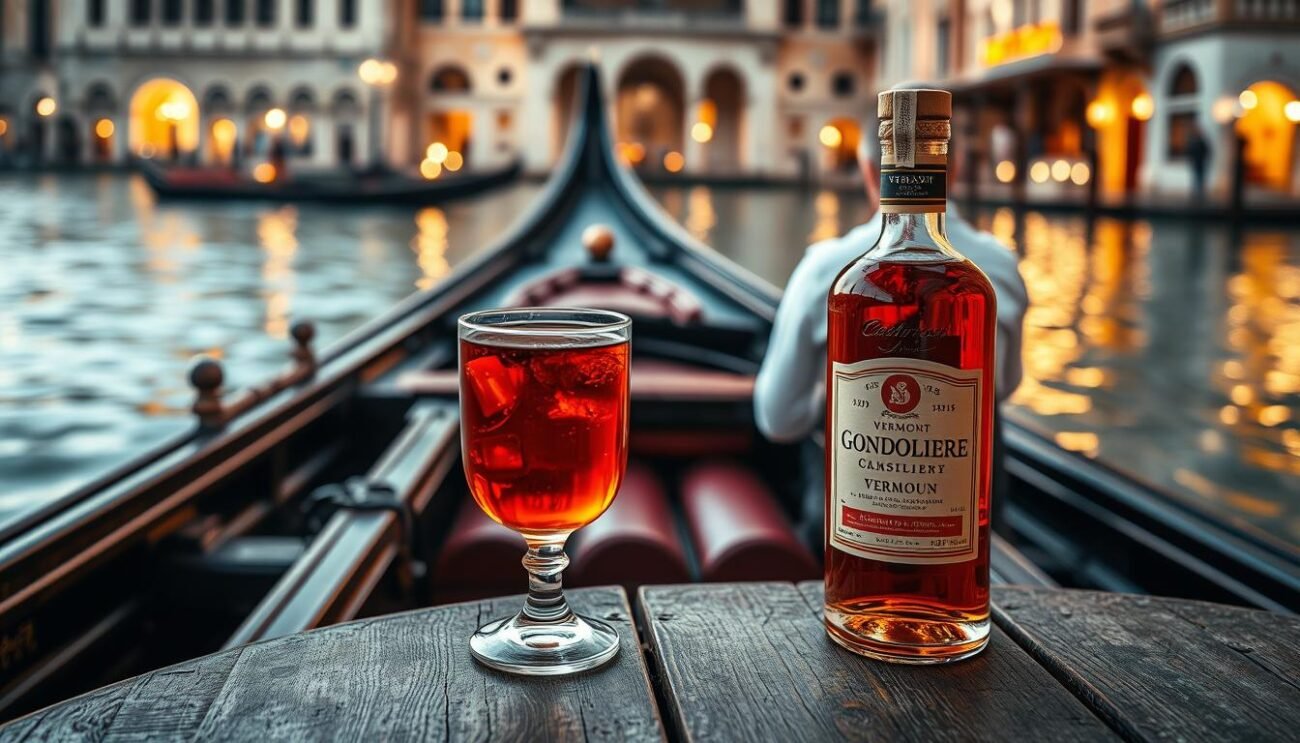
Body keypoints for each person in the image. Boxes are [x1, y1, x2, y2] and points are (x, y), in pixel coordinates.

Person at [754, 96, 1028, 541]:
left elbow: (778, 418)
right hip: (968, 530)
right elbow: (1006, 385)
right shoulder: (1000, 268)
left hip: (855, 531)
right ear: (953, 166)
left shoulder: (827, 273)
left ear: (871, 169)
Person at [1186, 125, 1210, 202]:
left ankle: (1200, 194)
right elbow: (1190, 152)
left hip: (1200, 163)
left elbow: (1206, 151)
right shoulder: (1194, 141)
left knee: (1200, 178)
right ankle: (1196, 194)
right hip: (1196, 163)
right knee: (1195, 178)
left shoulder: (1201, 141)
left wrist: (1203, 158)